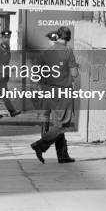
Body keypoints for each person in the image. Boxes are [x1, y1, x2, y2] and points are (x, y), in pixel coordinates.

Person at [30, 26, 79, 164]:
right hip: (63, 92)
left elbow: (35, 71)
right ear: (68, 38)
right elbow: (75, 74)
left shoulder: (46, 52)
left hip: (49, 91)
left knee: (58, 123)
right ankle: (40, 145)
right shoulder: (68, 52)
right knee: (63, 123)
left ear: (58, 36)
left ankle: (63, 155)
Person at [0, 29, 21, 118]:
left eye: (8, 38)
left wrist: (9, 70)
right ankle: (12, 111)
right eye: (5, 38)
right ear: (2, 38)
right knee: (4, 94)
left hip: (4, 76)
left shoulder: (7, 49)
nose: (7, 39)